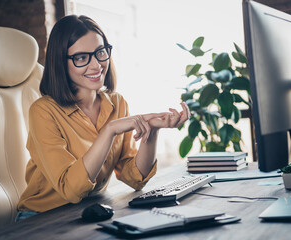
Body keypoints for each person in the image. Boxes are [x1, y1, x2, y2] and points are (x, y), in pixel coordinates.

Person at [16, 15, 190, 221]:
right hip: (40, 218)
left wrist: (151, 131)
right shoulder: (43, 111)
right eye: (81, 58)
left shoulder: (117, 103)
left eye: (100, 52)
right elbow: (70, 190)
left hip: (88, 211)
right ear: (61, 63)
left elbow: (135, 178)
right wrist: (109, 131)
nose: (96, 65)